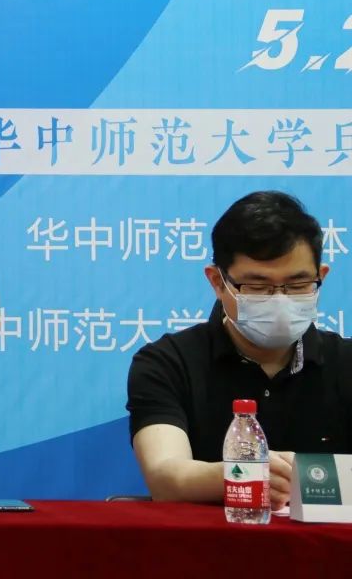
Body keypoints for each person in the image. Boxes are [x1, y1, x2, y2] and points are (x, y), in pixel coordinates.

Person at [127, 190, 352, 508]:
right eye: (257, 287)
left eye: (297, 285)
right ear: (217, 282)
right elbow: (166, 478)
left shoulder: (346, 363)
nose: (279, 300)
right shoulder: (168, 363)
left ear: (321, 277)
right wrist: (247, 476)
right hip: (211, 539)